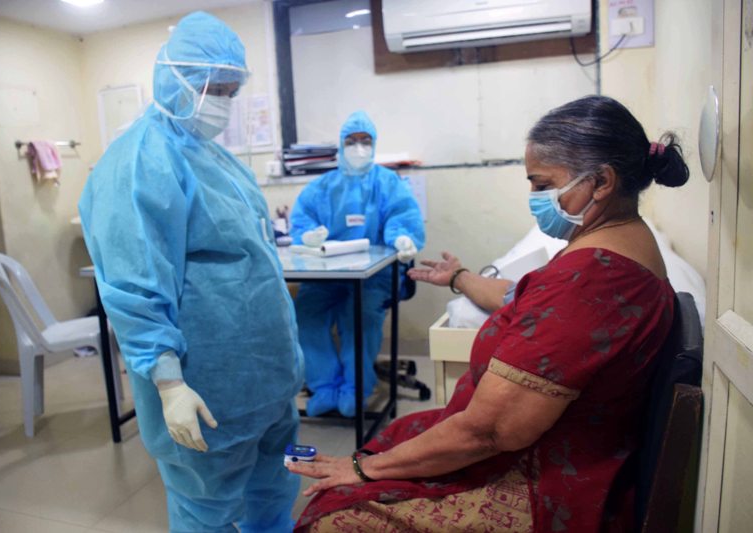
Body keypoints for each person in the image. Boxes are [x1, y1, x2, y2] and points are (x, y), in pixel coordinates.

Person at [287, 95, 690, 532]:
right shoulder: (617, 246)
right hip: (542, 443)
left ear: (602, 182)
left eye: (542, 184)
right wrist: (459, 277)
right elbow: (525, 299)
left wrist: (364, 469)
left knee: (334, 511)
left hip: (541, 480)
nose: (534, 198)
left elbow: (490, 431)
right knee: (385, 419)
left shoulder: (593, 279)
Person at [78, 12, 303, 533]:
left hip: (264, 378)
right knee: (208, 507)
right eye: (212, 88)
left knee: (273, 488)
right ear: (173, 79)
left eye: (230, 90)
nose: (221, 100)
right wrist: (169, 382)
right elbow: (134, 286)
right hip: (206, 380)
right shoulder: (139, 161)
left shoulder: (214, 157)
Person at [290, 111, 425, 418]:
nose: (359, 148)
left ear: (374, 144)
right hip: (327, 276)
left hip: (375, 277)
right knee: (305, 316)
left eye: (366, 141)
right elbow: (302, 219)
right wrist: (308, 236)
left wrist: (402, 238)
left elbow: (402, 216)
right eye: (351, 141)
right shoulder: (322, 187)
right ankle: (324, 387)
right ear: (341, 145)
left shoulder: (388, 183)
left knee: (358, 318)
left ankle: (355, 389)